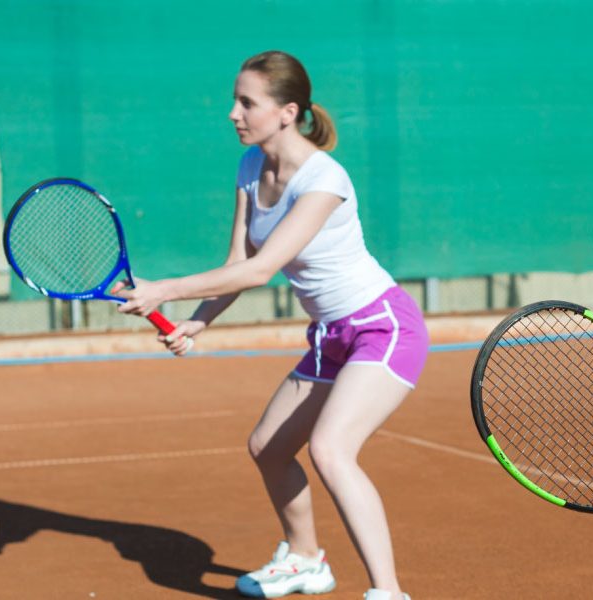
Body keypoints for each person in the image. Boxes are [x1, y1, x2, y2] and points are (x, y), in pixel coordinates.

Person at [113, 50, 428, 600]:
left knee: (331, 450)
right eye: (235, 100)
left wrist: (161, 289)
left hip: (382, 328)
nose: (233, 113)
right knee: (268, 447)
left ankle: (389, 592)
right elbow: (239, 259)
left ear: (288, 112)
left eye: (246, 103)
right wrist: (198, 321)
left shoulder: (324, 180)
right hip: (330, 337)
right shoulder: (250, 166)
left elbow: (262, 269)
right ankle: (306, 560)